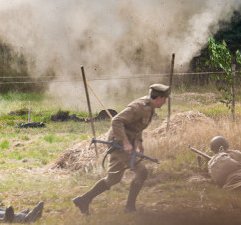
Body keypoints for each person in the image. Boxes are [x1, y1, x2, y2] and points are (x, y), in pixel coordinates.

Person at [72, 83, 169, 215]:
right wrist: (125, 142)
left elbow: (136, 125)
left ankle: (83, 200)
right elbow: (116, 121)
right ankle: (129, 208)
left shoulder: (148, 107)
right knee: (142, 172)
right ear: (159, 98)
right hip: (119, 144)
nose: (164, 103)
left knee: (113, 179)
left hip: (124, 143)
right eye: (164, 99)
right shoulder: (139, 107)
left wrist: (139, 141)